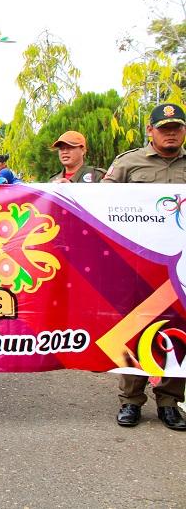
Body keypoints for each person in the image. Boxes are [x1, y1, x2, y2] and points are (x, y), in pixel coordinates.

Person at [104, 102, 186, 430]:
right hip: (137, 264)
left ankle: (169, 402)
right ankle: (131, 401)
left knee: (178, 330)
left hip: (180, 267)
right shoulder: (128, 164)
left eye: (176, 128)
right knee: (134, 329)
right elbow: (102, 205)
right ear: (150, 131)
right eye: (164, 129)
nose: (171, 134)